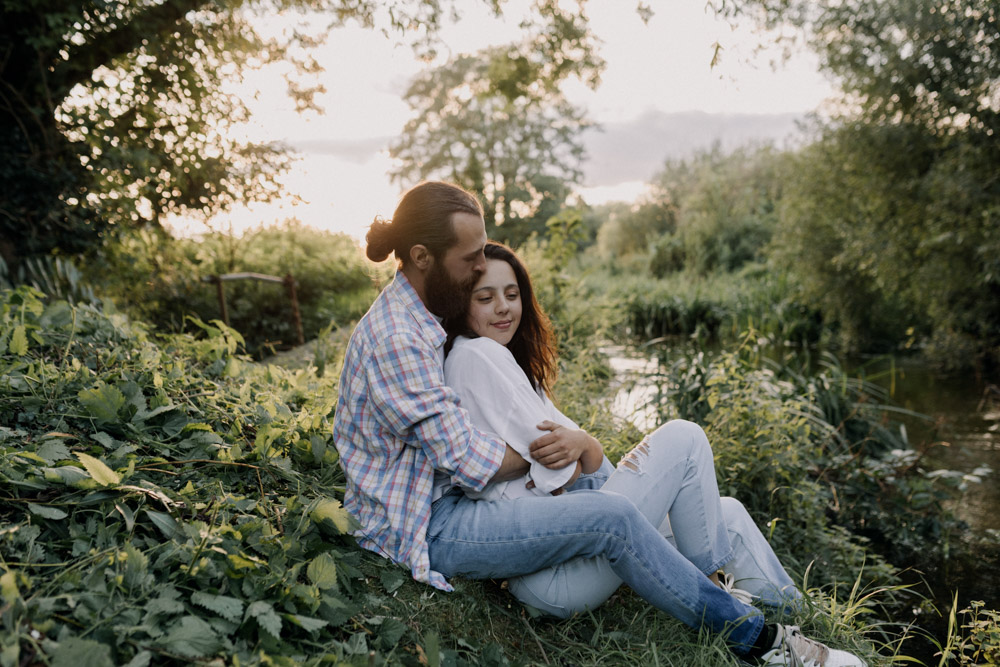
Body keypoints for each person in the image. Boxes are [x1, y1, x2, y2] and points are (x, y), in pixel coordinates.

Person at [333, 181, 866, 667]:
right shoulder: (401, 338)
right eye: (471, 259)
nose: (479, 268)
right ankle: (759, 642)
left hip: (453, 503)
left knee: (713, 508)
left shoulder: (423, 320)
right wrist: (553, 451)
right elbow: (471, 462)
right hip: (431, 524)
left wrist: (577, 448)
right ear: (422, 256)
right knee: (616, 511)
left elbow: (499, 449)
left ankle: (780, 610)